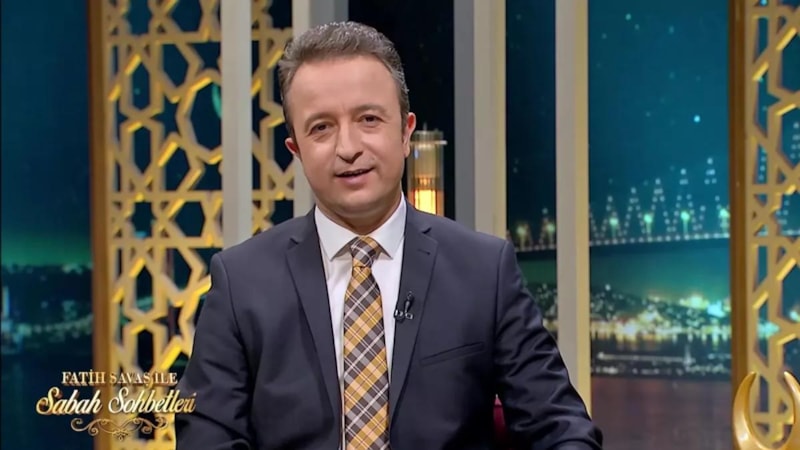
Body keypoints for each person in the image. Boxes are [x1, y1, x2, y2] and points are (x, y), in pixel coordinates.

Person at [175, 21, 602, 450]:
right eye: (321, 127)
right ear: (296, 150)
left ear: (405, 132)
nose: (348, 148)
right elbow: (207, 439)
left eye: (368, 119)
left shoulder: (483, 271)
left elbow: (561, 428)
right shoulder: (241, 282)